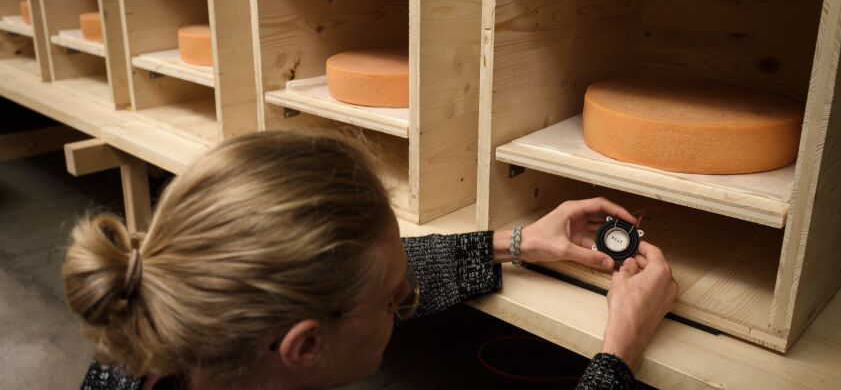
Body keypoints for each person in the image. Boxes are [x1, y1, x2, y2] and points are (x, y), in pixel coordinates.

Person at [64, 131, 678, 390]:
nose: (406, 294)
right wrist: (620, 352)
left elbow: (331, 278)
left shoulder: (153, 337)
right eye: (394, 299)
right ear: (303, 346)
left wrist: (515, 241)